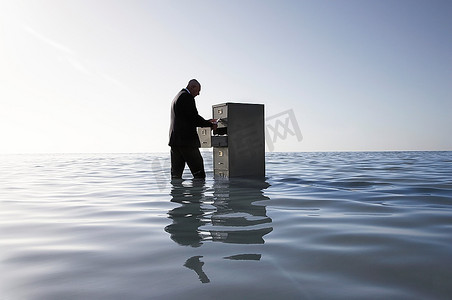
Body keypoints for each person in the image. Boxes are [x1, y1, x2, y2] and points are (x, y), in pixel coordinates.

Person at [168, 79, 217, 179]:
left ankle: (177, 194)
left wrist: (207, 122)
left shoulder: (177, 97)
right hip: (187, 143)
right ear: (192, 87)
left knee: (176, 176)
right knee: (199, 175)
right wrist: (210, 125)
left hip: (175, 143)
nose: (198, 94)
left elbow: (187, 118)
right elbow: (194, 118)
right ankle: (197, 194)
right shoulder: (187, 97)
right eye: (198, 91)